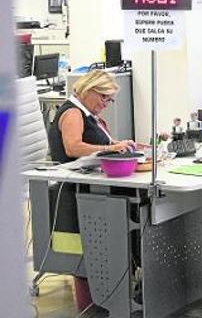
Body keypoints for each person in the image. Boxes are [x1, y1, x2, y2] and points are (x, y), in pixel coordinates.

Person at [47, 70, 140, 312]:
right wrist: (110, 149)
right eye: (103, 98)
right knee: (85, 255)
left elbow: (104, 145)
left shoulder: (89, 115)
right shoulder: (72, 112)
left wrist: (126, 146)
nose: (105, 104)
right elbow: (73, 147)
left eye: (109, 100)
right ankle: (91, 309)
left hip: (94, 188)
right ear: (89, 90)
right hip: (74, 193)